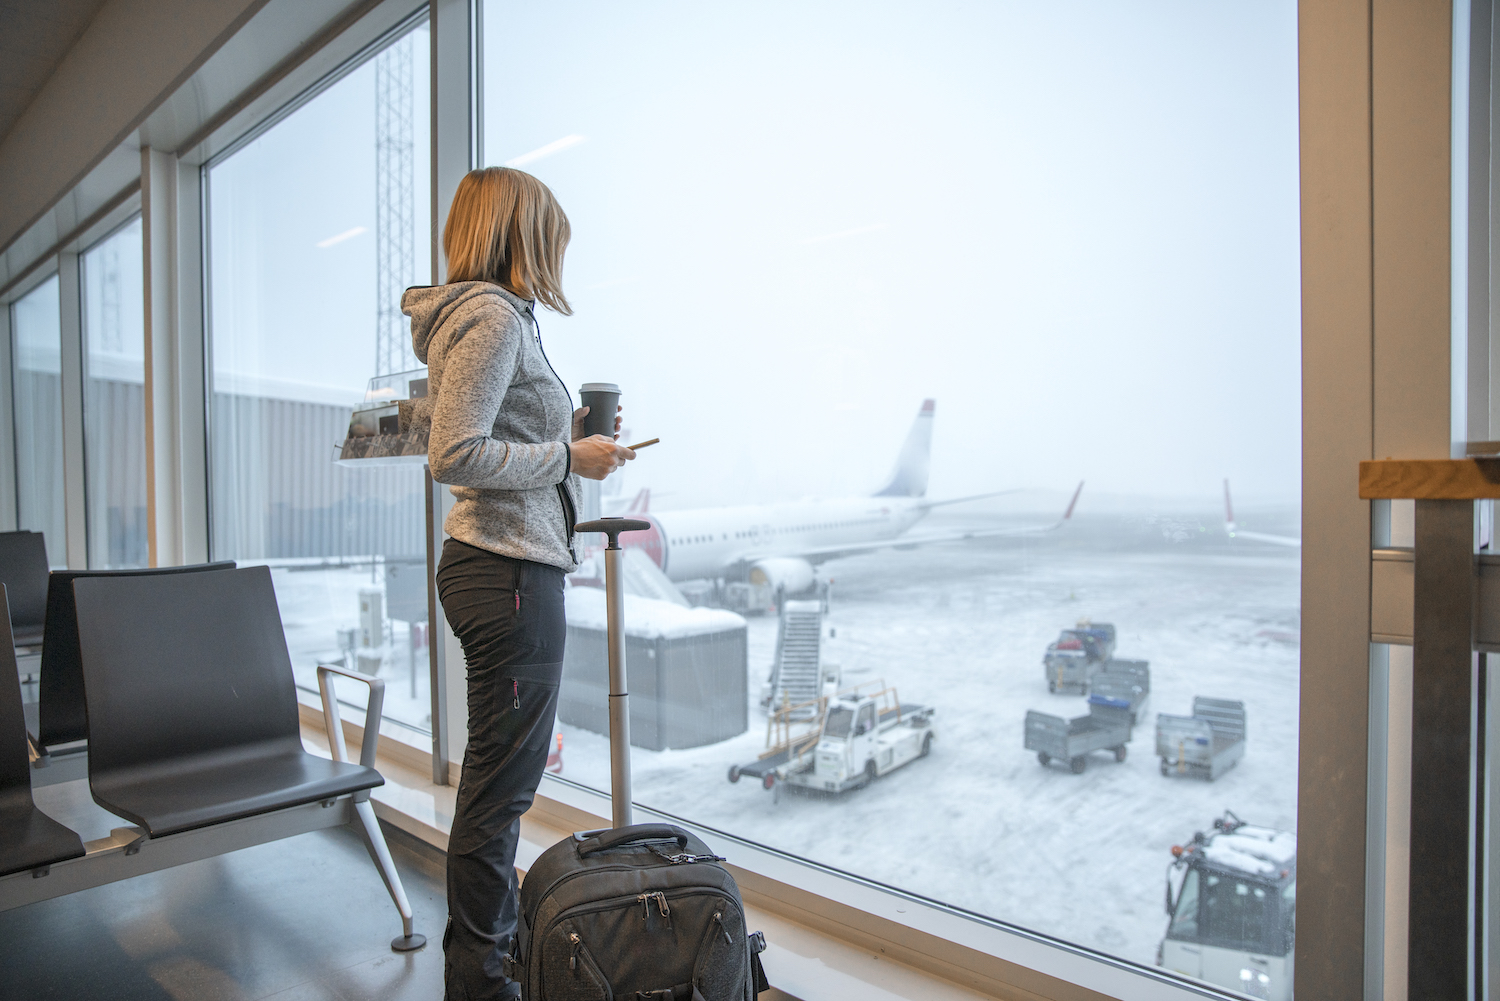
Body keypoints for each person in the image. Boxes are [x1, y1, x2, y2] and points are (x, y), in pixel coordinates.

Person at [402, 166, 634, 1000]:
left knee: (496, 787)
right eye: (551, 241)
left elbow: (489, 435)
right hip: (505, 572)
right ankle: (481, 981)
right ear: (522, 236)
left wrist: (566, 436)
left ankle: (481, 969)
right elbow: (453, 456)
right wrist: (572, 455)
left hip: (503, 567)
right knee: (499, 797)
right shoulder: (494, 318)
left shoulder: (489, 320)